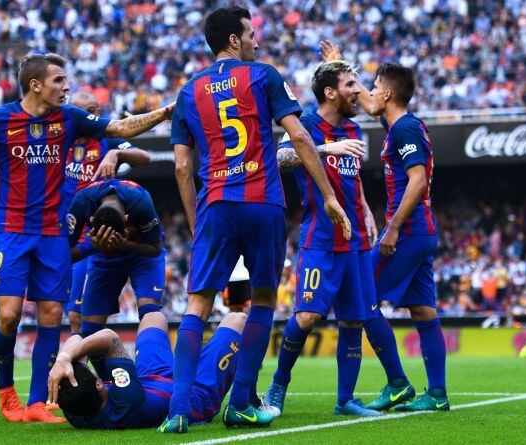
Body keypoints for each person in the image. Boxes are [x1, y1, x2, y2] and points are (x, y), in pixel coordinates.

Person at [0, 53, 174, 423]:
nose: (66, 87)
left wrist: (162, 113)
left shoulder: (70, 117)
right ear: (36, 85)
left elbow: (119, 130)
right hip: (12, 230)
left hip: (53, 232)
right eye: (59, 80)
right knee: (10, 316)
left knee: (50, 316)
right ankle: (6, 393)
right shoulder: (0, 119)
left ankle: (36, 403)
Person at [164, 6, 351, 432]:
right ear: (233, 39)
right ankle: (242, 403)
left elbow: (180, 167)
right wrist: (327, 196)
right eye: (250, 33)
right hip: (261, 201)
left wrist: (197, 224)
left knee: (198, 303)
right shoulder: (264, 75)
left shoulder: (188, 90)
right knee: (263, 299)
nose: (256, 40)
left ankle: (177, 411)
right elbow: (300, 135)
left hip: (215, 203)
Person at [321, 41, 448, 412]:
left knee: (362, 298)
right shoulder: (401, 124)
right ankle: (437, 395)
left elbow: (418, 181)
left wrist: (392, 229)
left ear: (388, 93)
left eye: (374, 88)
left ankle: (397, 383)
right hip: (423, 231)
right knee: (424, 311)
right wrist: (339, 66)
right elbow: (369, 103)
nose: (367, 95)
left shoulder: (405, 128)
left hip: (408, 231)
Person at [263, 60, 380, 418]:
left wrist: (366, 210)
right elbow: (280, 157)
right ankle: (279, 383)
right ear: (330, 92)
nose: (357, 92)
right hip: (319, 239)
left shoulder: (353, 128)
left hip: (355, 240)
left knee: (354, 320)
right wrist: (327, 149)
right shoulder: (305, 126)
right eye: (350, 85)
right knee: (308, 316)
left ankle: (346, 400)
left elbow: (353, 180)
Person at [47, 311, 247, 429]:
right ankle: (249, 396)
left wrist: (64, 361)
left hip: (149, 378)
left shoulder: (76, 413)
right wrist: (63, 358)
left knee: (153, 317)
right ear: (99, 384)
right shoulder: (126, 401)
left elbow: (76, 340)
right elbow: (110, 338)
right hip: (191, 396)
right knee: (238, 319)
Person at [64, 90, 152, 335]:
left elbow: (145, 157)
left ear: (97, 113)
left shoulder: (107, 137)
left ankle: (85, 365)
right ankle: (80, 367)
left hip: (99, 234)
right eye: (78, 112)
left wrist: (117, 153)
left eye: (89, 112)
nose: (84, 117)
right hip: (69, 234)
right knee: (71, 314)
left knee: (78, 315)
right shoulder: (61, 138)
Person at [65, 178, 165, 380]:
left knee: (149, 312)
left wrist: (124, 244)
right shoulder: (81, 201)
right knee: (90, 329)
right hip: (102, 257)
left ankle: (153, 377)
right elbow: (64, 253)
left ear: (127, 217)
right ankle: (110, 384)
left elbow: (155, 249)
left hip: (141, 254)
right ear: (91, 221)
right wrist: (93, 246)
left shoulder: (141, 201)